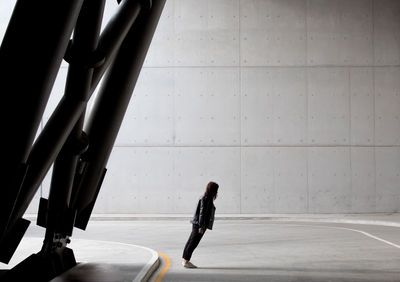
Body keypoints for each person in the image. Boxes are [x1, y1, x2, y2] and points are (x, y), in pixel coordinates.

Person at [182, 181, 219, 268]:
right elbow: (202, 213)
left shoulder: (206, 197)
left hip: (197, 223)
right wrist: (201, 226)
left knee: (191, 241)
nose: (217, 192)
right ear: (213, 190)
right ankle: (186, 261)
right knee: (193, 242)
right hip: (199, 224)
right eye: (216, 190)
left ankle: (185, 260)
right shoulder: (206, 199)